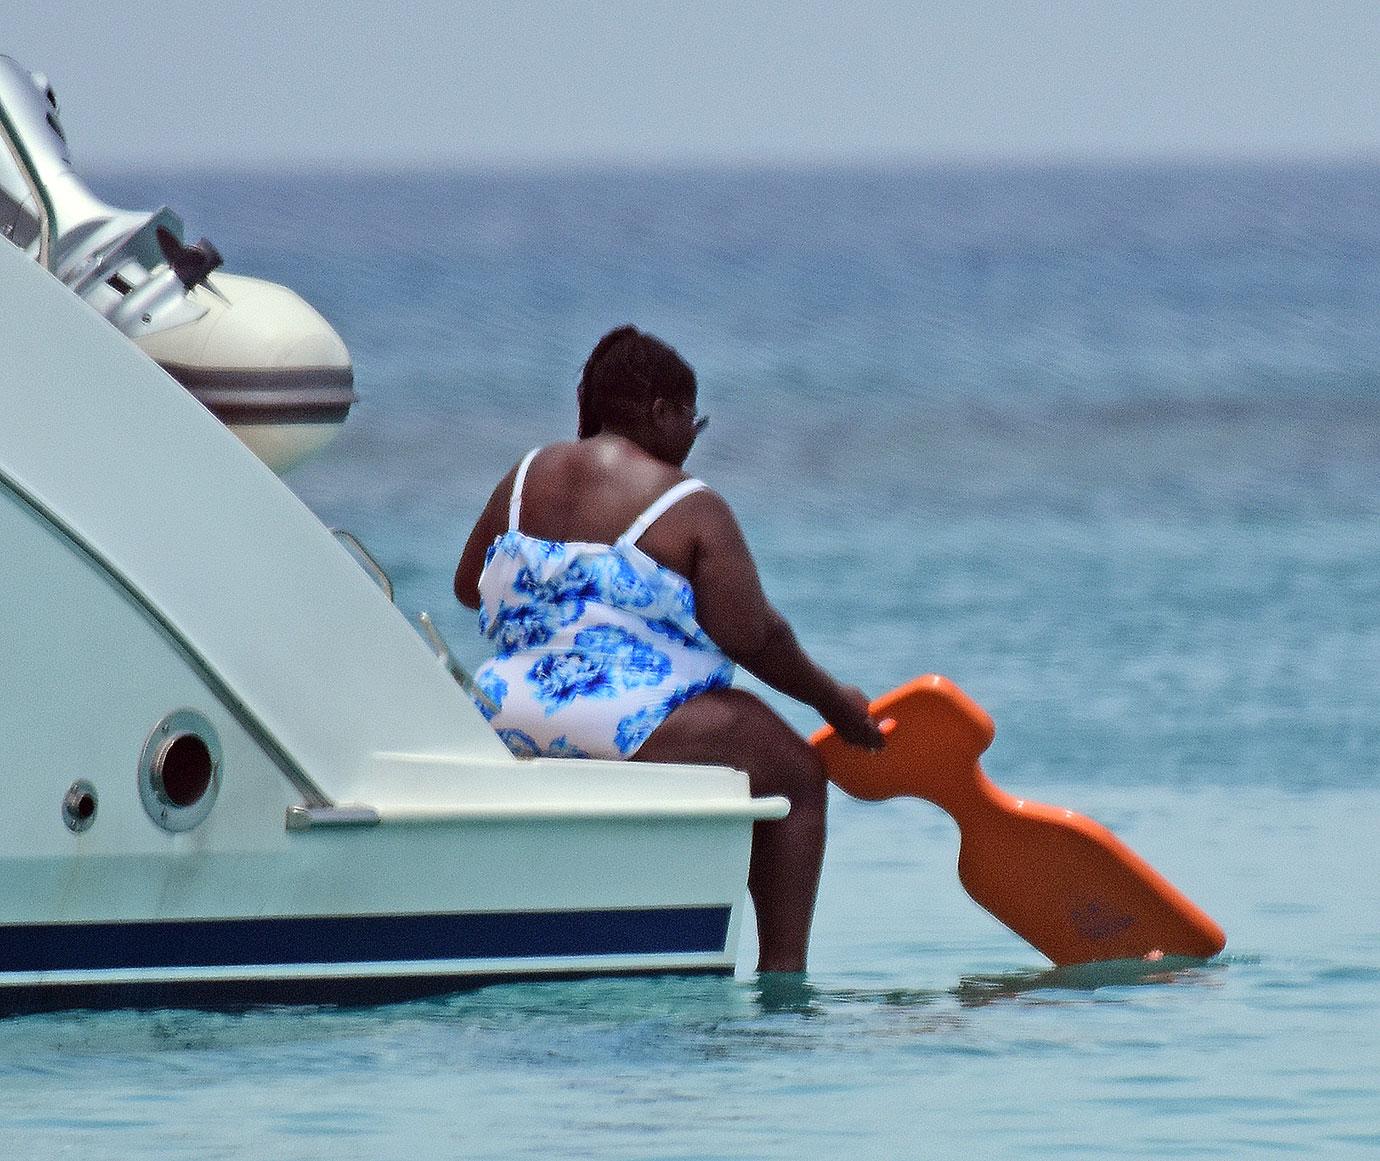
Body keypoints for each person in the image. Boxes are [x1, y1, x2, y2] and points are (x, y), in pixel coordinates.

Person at [454, 325, 884, 973]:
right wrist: (836, 704)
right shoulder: (688, 505)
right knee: (795, 773)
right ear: (662, 411)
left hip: (501, 711)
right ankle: (784, 979)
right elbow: (754, 635)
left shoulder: (523, 478)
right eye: (693, 421)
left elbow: (467, 587)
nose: (690, 439)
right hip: (615, 719)